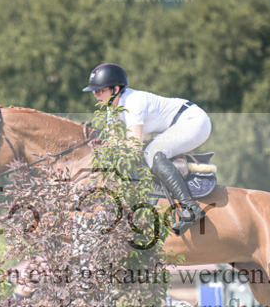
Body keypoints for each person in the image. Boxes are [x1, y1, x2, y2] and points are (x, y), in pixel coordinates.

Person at [83, 62, 211, 235]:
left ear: (115, 89)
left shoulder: (132, 102)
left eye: (100, 90)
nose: (96, 95)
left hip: (194, 121)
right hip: (178, 124)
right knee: (147, 152)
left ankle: (190, 207)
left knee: (152, 153)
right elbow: (114, 143)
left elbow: (133, 146)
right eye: (95, 91)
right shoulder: (111, 109)